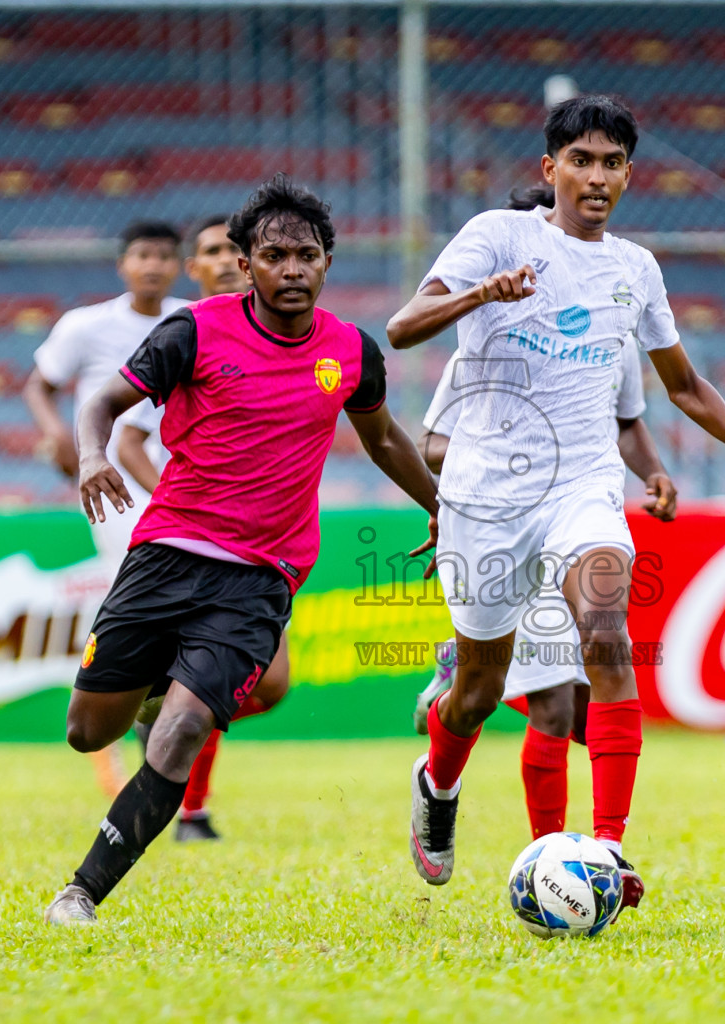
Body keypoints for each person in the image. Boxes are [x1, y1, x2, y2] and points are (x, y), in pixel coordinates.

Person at [386, 94, 725, 921]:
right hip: (487, 493)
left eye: (611, 163)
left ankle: (607, 851)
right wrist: (482, 296)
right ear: (549, 170)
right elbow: (403, 329)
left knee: (607, 631)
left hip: (584, 484)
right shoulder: (497, 237)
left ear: (628, 175)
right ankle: (438, 782)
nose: (596, 176)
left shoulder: (635, 270)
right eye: (579, 160)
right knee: (475, 694)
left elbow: (680, 384)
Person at [42, 175, 439, 925]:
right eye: (275, 254)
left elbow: (383, 439)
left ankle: (81, 893)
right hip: (166, 552)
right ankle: (153, 693)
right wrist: (92, 455)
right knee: (85, 730)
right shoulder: (193, 332)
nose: (293, 269)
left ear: (327, 264)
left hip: (263, 572)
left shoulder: (352, 351)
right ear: (248, 263)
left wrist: (442, 507)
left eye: (308, 255)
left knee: (187, 727)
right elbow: (101, 404)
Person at [411, 183, 678, 841]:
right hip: (499, 518)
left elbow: (626, 422)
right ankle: (443, 772)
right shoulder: (486, 337)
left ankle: (584, 857)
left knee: (587, 674)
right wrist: (461, 495)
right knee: (538, 703)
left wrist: (655, 473)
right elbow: (435, 442)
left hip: (578, 512)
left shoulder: (608, 326)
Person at [116, 213, 293, 843]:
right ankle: (189, 809)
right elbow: (127, 433)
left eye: (234, 249)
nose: (224, 260)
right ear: (194, 269)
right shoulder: (185, 334)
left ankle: (162, 726)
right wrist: (170, 502)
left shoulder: (292, 332)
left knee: (269, 686)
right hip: (185, 540)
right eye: (211, 251)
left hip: (268, 538)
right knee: (204, 681)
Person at [22, 220, 189, 799]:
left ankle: (146, 709)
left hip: (183, 478)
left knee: (158, 594)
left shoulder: (188, 321)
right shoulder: (87, 325)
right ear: (123, 263)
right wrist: (59, 436)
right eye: (142, 254)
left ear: (178, 265)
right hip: (113, 481)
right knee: (142, 580)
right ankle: (128, 714)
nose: (153, 265)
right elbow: (39, 384)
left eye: (165, 256)